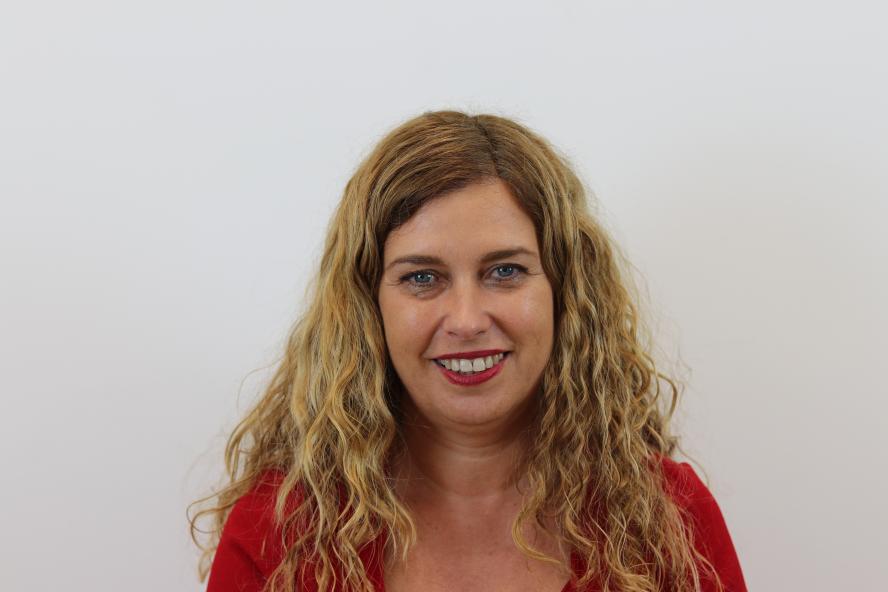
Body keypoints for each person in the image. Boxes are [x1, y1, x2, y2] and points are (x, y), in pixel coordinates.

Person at [190, 111, 747, 592]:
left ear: (565, 291)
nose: (466, 320)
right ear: (367, 305)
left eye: (505, 271)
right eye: (423, 278)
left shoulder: (670, 522)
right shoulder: (277, 534)